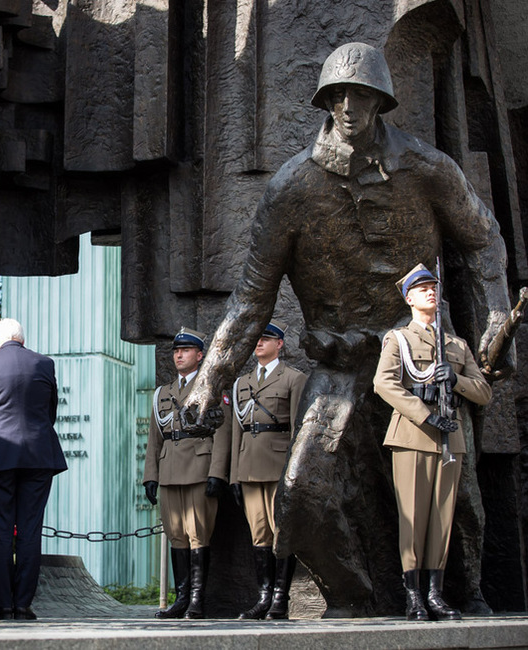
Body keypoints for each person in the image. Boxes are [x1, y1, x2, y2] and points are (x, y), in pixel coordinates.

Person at [179, 42, 511, 614]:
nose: (349, 106)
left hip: (421, 358)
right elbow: (252, 298)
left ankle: (463, 599)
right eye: (338, 96)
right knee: (300, 497)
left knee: (456, 496)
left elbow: (483, 243)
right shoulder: (292, 188)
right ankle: (356, 601)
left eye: (361, 94)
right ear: (326, 103)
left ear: (381, 101)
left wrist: (498, 312)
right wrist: (211, 375)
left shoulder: (427, 168)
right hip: (341, 365)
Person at [373, 264, 492, 621]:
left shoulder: (457, 345)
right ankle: (413, 597)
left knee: (441, 518)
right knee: (413, 519)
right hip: (413, 435)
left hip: (449, 437)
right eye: (422, 288)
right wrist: (425, 415)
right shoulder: (399, 339)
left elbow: (483, 392)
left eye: (433, 287)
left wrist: (455, 379)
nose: (430, 293)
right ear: (409, 298)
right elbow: (384, 383)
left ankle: (435, 594)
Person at [0, 318, 67, 620]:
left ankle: (2, 603)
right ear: (22, 339)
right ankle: (23, 604)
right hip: (38, 455)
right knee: (30, 530)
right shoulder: (44, 364)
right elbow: (51, 411)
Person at [142, 327, 231, 620]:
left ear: (200, 355)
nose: (179, 355)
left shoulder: (211, 389)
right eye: (176, 351)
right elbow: (155, 438)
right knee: (176, 536)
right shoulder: (162, 393)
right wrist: (150, 476)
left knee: (198, 536)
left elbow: (222, 433)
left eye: (186, 350)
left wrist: (217, 473)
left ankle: (196, 600)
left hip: (198, 468)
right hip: (168, 470)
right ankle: (181, 598)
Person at [228, 320, 307, 620]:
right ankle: (264, 597)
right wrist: (234, 474)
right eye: (256, 338)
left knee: (281, 534)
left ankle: (280, 599)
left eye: (266, 338)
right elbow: (238, 431)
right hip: (249, 467)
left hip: (278, 466)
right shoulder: (243, 383)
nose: (259, 343)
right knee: (259, 535)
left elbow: (296, 428)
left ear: (280, 344)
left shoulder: (293, 379)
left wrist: (293, 472)